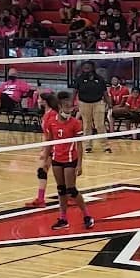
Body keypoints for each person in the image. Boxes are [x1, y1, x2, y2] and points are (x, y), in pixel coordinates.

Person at [45, 92, 95, 231]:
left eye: (71, 108)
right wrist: (45, 158)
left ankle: (87, 216)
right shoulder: (52, 121)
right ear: (60, 106)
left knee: (71, 190)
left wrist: (79, 164)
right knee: (61, 190)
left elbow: (79, 145)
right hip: (56, 158)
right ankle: (63, 218)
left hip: (70, 159)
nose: (69, 110)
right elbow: (49, 141)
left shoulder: (75, 123)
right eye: (66, 107)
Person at [27, 93, 59, 206]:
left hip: (56, 148)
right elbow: (46, 134)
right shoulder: (46, 114)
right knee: (42, 171)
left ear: (45, 101)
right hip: (49, 147)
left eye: (40, 99)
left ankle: (69, 194)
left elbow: (52, 135)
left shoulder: (53, 114)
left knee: (59, 173)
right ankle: (40, 199)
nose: (38, 100)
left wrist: (45, 151)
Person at [73, 61, 111, 154]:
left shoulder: (99, 79)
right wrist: (72, 103)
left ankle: (106, 146)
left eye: (88, 68)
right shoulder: (79, 79)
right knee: (87, 125)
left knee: (100, 125)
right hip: (84, 103)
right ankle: (88, 146)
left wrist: (109, 103)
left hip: (98, 103)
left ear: (92, 68)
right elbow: (75, 91)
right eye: (84, 68)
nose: (86, 70)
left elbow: (105, 93)